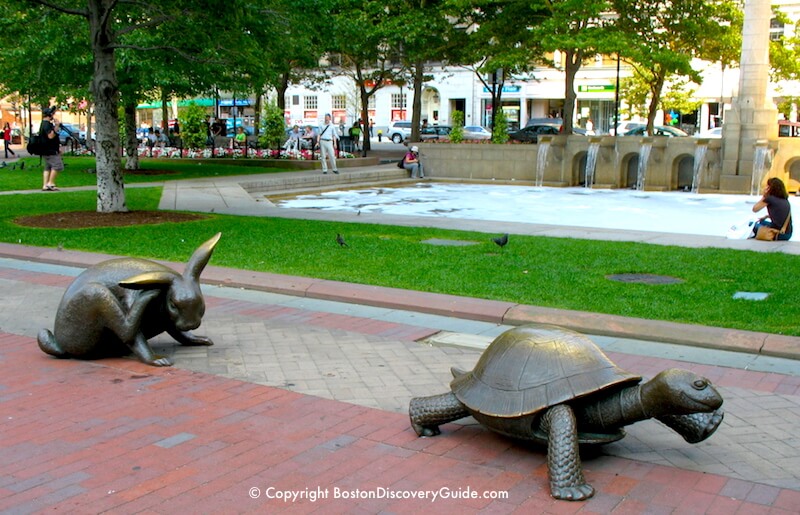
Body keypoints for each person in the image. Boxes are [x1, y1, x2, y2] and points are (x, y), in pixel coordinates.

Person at [39, 107, 63, 191]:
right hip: (51, 150)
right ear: (49, 114)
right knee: (57, 165)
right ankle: (51, 183)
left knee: (48, 167)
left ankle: (45, 184)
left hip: (46, 149)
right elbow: (51, 136)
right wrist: (56, 126)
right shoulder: (47, 124)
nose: (53, 115)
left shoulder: (43, 124)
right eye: (52, 113)